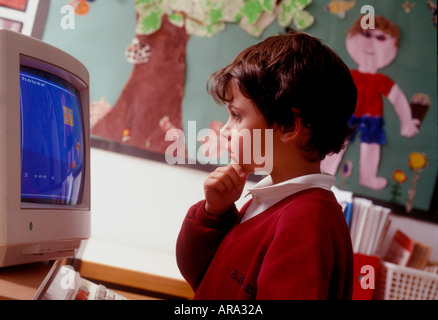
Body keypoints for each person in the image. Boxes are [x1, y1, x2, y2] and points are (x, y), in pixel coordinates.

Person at [176, 30, 357, 300]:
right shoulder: (272, 197)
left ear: (287, 126)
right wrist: (215, 214)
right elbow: (206, 278)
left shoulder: (306, 222)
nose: (225, 130)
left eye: (237, 115)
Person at [321, 15, 419, 190]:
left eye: (380, 38)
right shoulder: (348, 73)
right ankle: (323, 171)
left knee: (371, 146)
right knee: (337, 141)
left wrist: (407, 122)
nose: (371, 43)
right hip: (347, 113)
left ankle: (368, 177)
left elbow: (397, 98)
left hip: (372, 116)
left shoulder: (381, 80)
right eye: (366, 35)